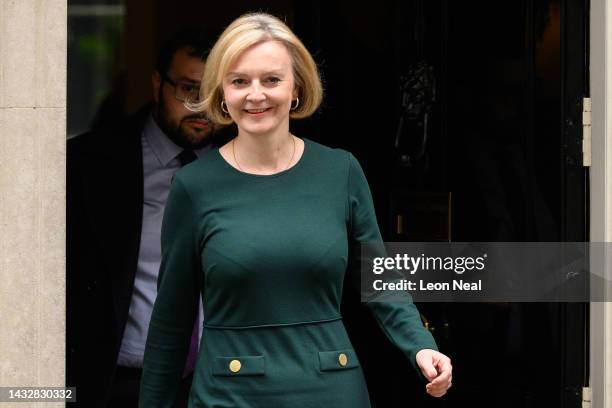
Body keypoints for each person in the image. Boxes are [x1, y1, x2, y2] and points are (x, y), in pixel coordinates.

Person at [139, 13, 452, 407]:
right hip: (230, 395)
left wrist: (420, 346)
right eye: (239, 81)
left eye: (271, 79)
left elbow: (379, 279)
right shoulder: (194, 186)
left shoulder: (340, 171)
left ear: (296, 89)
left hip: (331, 389)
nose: (256, 95)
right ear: (221, 92)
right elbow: (171, 322)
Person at [66, 29, 218, 407]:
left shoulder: (246, 165)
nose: (201, 106)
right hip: (121, 383)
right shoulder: (91, 164)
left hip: (219, 384)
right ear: (157, 84)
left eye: (216, 93)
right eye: (188, 89)